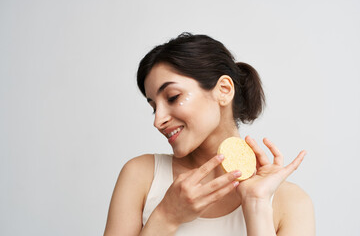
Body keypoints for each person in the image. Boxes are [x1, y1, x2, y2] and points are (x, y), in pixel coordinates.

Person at [104, 33, 315, 236]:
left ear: (223, 90)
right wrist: (166, 216)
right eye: (153, 107)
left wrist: (257, 204)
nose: (158, 121)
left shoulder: (291, 202)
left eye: (173, 97)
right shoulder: (141, 176)